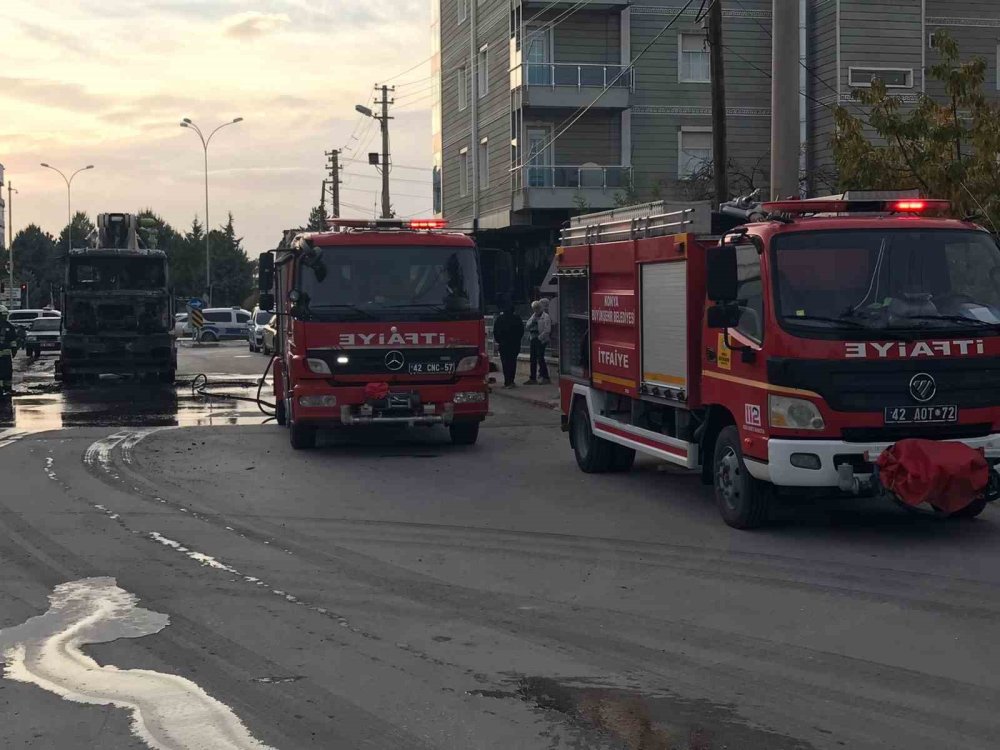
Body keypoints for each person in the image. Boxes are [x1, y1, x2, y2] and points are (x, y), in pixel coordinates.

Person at [492, 303, 524, 388]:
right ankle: (511, 381)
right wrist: (517, 340)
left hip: (503, 345)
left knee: (505, 363)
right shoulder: (517, 319)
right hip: (514, 344)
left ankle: (507, 381)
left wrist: (499, 341)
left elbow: (495, 332)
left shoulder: (499, 319)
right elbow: (521, 331)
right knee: (512, 362)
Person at [524, 299, 552, 385]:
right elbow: (527, 325)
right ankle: (532, 378)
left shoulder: (545, 316)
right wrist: (533, 321)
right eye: (534, 309)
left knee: (540, 358)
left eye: (537, 308)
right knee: (532, 359)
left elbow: (547, 329)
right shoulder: (533, 316)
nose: (536, 310)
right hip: (533, 338)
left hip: (541, 339)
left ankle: (545, 377)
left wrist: (540, 338)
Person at [0, 306, 23, 399]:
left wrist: (14, 350)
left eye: (6, 315)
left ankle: (7, 389)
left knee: (7, 372)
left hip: (6, 356)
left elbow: (13, 340)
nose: (4, 317)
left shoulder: (10, 326)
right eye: (3, 315)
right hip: (5, 355)